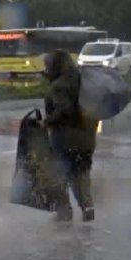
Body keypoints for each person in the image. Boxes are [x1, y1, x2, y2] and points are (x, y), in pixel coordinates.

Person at [43, 49, 96, 222]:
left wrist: (47, 121)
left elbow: (64, 110)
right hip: (86, 138)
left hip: (65, 139)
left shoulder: (59, 86)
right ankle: (88, 212)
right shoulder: (82, 80)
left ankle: (64, 214)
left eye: (48, 65)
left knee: (57, 177)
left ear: (55, 66)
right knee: (81, 176)